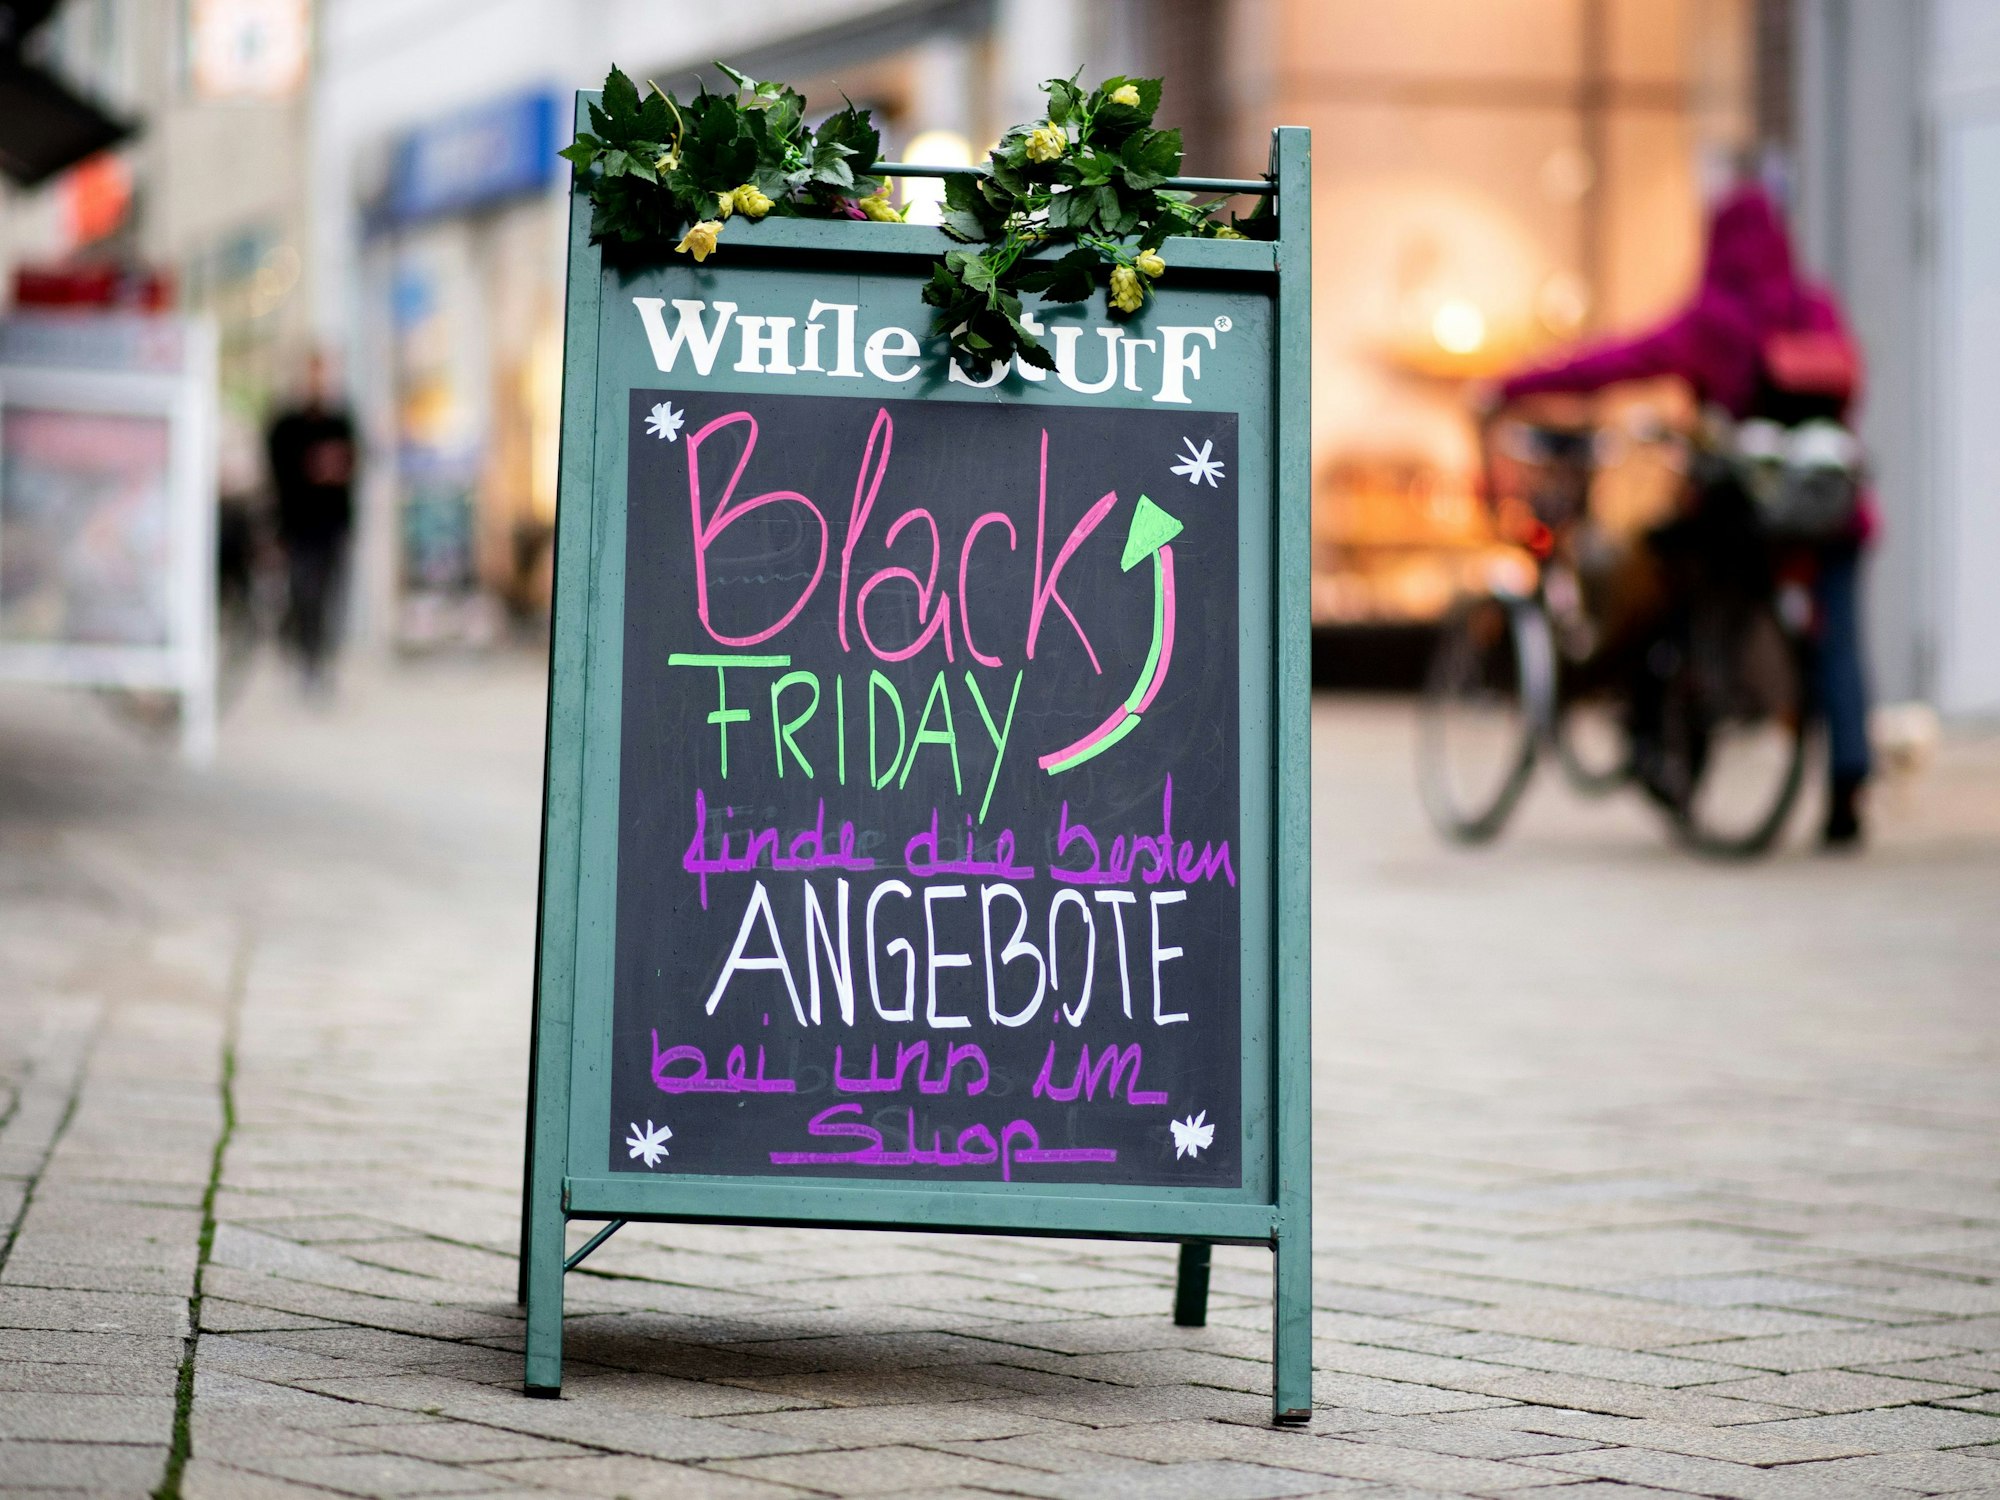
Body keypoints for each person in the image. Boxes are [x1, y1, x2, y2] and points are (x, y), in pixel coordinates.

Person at [1486, 182, 1873, 847]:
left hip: (1744, 513)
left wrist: (1513, 386)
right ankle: (1847, 787)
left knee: (1662, 579)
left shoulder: (1715, 319)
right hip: (1827, 509)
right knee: (1835, 645)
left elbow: (1612, 362)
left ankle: (1663, 734)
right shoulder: (1814, 307)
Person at [266, 351, 358, 692]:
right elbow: (277, 471)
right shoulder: (287, 424)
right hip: (299, 527)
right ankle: (306, 658)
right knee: (305, 595)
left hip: (333, 525)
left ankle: (323, 662)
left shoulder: (341, 420)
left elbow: (353, 466)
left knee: (332, 597)